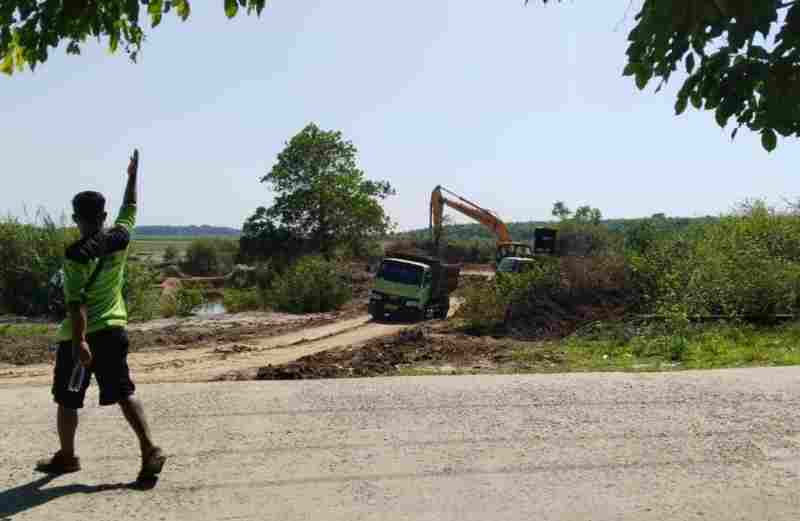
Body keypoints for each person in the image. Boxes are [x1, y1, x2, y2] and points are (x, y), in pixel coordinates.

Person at [36, 149, 166, 482]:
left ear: (76, 217)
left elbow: (76, 303)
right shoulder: (120, 237)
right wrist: (133, 177)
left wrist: (79, 341)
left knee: (67, 399)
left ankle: (67, 457)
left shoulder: (75, 255)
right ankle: (149, 449)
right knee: (124, 391)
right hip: (114, 331)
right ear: (104, 215)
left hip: (80, 341)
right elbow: (131, 208)